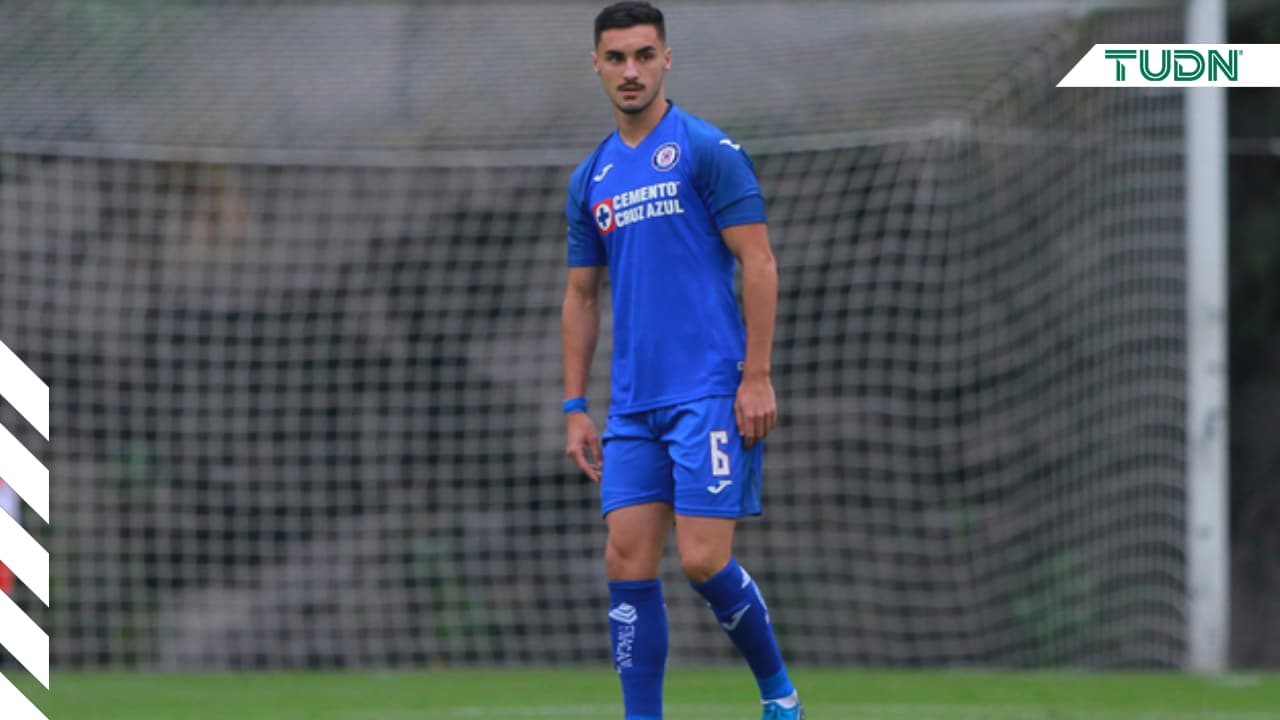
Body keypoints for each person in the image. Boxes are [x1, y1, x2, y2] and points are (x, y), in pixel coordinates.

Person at [560, 3, 803, 719]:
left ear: (668, 59)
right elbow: (580, 297)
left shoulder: (705, 149)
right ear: (597, 66)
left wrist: (755, 376)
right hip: (633, 405)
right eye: (615, 58)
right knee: (625, 561)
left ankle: (779, 696)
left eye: (643, 55)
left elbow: (758, 263)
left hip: (708, 392)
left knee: (701, 560)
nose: (629, 71)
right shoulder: (591, 178)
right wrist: (576, 405)